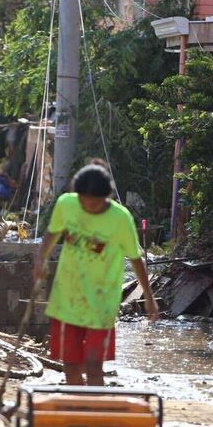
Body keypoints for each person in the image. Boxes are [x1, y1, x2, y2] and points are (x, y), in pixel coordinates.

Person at [33, 162, 159, 387]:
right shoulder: (67, 204)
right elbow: (52, 233)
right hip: (67, 298)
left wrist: (148, 297)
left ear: (106, 196)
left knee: (93, 365)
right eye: (83, 199)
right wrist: (41, 258)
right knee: (70, 364)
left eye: (94, 200)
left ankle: (95, 408)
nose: (88, 204)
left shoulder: (121, 219)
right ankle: (77, 411)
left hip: (101, 302)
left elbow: (135, 258)